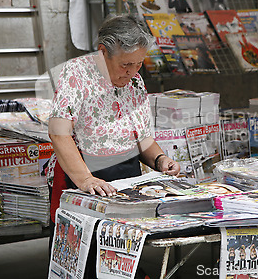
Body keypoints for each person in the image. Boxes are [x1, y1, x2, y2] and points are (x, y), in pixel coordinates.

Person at [47, 13, 180, 243]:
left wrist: (160, 160)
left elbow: (142, 136)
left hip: (124, 180)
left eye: (139, 64)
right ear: (103, 52)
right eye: (126, 64)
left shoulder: (135, 81)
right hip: (81, 176)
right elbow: (59, 133)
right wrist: (86, 180)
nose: (132, 72)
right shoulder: (76, 74)